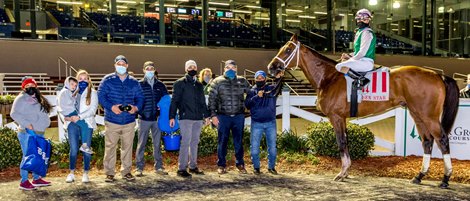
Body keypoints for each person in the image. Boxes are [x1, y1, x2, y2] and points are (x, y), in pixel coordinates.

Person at [98, 55, 144, 182]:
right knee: (110, 147)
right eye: (119, 63)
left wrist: (136, 108)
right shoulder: (107, 80)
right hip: (112, 120)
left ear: (127, 66)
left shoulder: (134, 82)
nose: (121, 66)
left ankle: (126, 171)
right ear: (115, 65)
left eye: (124, 64)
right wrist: (111, 107)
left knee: (127, 148)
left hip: (129, 121)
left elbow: (140, 98)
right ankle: (109, 172)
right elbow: (101, 96)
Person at [208, 60, 251, 174]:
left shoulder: (242, 81)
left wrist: (246, 105)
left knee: (239, 141)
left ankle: (240, 164)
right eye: (228, 67)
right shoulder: (217, 81)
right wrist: (213, 115)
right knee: (222, 141)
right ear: (224, 69)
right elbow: (212, 100)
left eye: (233, 67)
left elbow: (252, 93)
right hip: (223, 116)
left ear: (236, 69)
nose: (230, 69)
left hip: (238, 116)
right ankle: (221, 165)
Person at [170, 60, 210, 178]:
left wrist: (207, 116)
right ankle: (181, 168)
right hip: (185, 117)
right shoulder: (179, 83)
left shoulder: (198, 85)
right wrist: (172, 116)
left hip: (198, 118)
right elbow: (174, 101)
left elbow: (202, 102)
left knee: (194, 142)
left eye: (194, 66)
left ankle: (193, 166)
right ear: (186, 69)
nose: (192, 68)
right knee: (185, 142)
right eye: (190, 67)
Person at [10, 77, 53, 190]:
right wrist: (27, 124)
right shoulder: (21, 98)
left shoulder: (38, 99)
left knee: (37, 157)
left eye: (32, 85)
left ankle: (36, 179)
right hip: (27, 133)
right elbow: (14, 114)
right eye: (27, 86)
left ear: (36, 86)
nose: (30, 88)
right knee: (28, 156)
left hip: (39, 133)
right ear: (23, 88)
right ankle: (24, 181)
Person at [62, 70, 99, 183]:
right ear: (76, 80)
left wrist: (79, 116)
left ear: (88, 80)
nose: (82, 81)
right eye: (80, 79)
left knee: (86, 150)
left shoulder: (92, 92)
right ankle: (71, 172)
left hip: (86, 123)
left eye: (85, 78)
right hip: (72, 124)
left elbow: (92, 110)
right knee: (73, 149)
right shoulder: (71, 91)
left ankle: (85, 173)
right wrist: (67, 117)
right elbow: (63, 107)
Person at [245, 70, 283, 175]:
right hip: (256, 123)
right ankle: (256, 167)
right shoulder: (251, 91)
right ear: (255, 79)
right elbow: (247, 105)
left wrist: (279, 78)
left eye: (262, 77)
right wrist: (257, 97)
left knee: (272, 148)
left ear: (265, 79)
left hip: (270, 122)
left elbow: (278, 87)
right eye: (258, 78)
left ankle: (271, 167)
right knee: (254, 149)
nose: (260, 79)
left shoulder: (271, 89)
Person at [135, 61, 169, 177]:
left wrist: (163, 111)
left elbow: (166, 100)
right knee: (141, 144)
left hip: (157, 119)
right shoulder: (139, 84)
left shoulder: (161, 85)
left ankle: (158, 166)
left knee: (157, 144)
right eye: (147, 68)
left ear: (155, 70)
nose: (150, 70)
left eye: (152, 68)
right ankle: (139, 168)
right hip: (144, 119)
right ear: (144, 70)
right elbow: (135, 100)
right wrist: (140, 111)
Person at [335, 8, 376, 87]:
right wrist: (349, 55)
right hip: (361, 60)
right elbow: (358, 52)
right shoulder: (361, 32)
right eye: (359, 19)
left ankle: (362, 80)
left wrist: (350, 59)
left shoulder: (366, 33)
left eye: (364, 19)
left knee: (339, 66)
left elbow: (362, 53)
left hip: (365, 62)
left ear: (368, 20)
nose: (360, 21)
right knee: (343, 61)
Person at [57, 76, 93, 155]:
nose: (73, 86)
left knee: (84, 126)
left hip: (69, 112)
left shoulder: (67, 92)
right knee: (84, 125)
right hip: (71, 112)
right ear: (67, 83)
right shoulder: (65, 92)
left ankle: (84, 145)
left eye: (75, 85)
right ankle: (84, 145)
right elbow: (69, 103)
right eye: (72, 84)